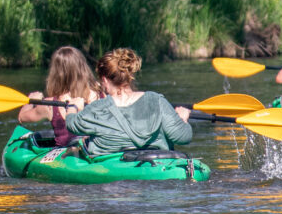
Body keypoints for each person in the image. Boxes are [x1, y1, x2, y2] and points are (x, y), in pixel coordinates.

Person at [63, 48, 193, 155]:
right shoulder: (156, 100)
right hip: (155, 164)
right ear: (130, 77)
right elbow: (182, 137)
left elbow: (72, 124)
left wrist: (73, 107)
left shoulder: (97, 108)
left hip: (112, 170)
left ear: (105, 80)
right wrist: (182, 119)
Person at [18, 46, 102, 147]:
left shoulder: (49, 105)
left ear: (56, 73)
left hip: (67, 157)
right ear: (83, 67)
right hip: (96, 151)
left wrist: (31, 101)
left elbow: (21, 117)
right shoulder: (100, 92)